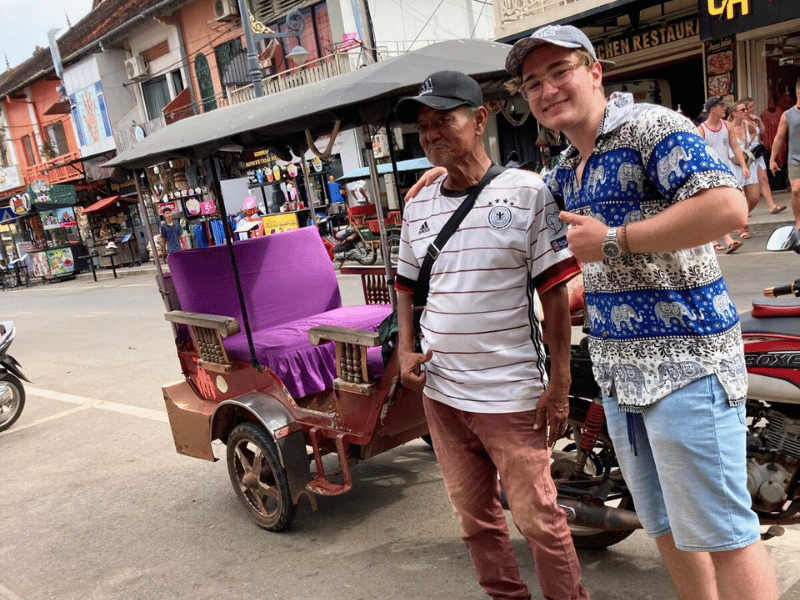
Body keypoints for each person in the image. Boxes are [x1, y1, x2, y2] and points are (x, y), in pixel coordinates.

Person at [506, 24, 777, 600]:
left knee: (726, 534)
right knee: (666, 530)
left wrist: (614, 241)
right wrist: (451, 177)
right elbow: (521, 200)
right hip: (618, 376)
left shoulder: (652, 127)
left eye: (561, 72)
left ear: (595, 71)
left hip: (688, 365)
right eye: (534, 82)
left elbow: (728, 207)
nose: (548, 89)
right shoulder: (567, 168)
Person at [394, 70, 588, 600]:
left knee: (539, 520)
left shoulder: (527, 193)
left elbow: (554, 296)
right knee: (475, 520)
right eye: (423, 125)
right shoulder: (419, 203)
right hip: (442, 393)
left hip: (510, 396)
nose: (431, 133)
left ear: (480, 120)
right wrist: (406, 349)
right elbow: (406, 286)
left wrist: (560, 384)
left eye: (444, 121)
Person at [697, 96, 748, 252]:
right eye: (722, 106)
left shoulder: (727, 126)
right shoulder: (701, 130)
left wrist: (744, 166)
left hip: (725, 171)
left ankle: (720, 240)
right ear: (713, 109)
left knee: (723, 207)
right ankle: (725, 239)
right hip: (708, 174)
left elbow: (736, 147)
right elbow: (699, 154)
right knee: (717, 208)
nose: (725, 108)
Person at [741, 97, 785, 214]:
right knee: (747, 182)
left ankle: (772, 206)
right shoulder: (742, 121)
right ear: (745, 109)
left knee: (764, 178)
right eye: (750, 107)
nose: (752, 109)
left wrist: (759, 121)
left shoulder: (753, 119)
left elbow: (763, 131)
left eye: (753, 107)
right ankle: (745, 208)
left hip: (757, 151)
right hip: (749, 152)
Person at [727, 100, 760, 239]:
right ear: (734, 113)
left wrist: (750, 141)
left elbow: (757, 131)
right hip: (733, 164)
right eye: (742, 110)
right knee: (740, 197)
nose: (746, 112)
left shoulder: (747, 125)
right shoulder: (728, 127)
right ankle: (741, 228)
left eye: (746, 109)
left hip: (747, 162)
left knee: (754, 197)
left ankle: (741, 219)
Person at [770, 79, 800, 229]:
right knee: (795, 190)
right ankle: (799, 221)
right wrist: (772, 159)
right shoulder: (787, 115)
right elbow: (779, 137)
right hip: (795, 159)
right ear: (799, 93)